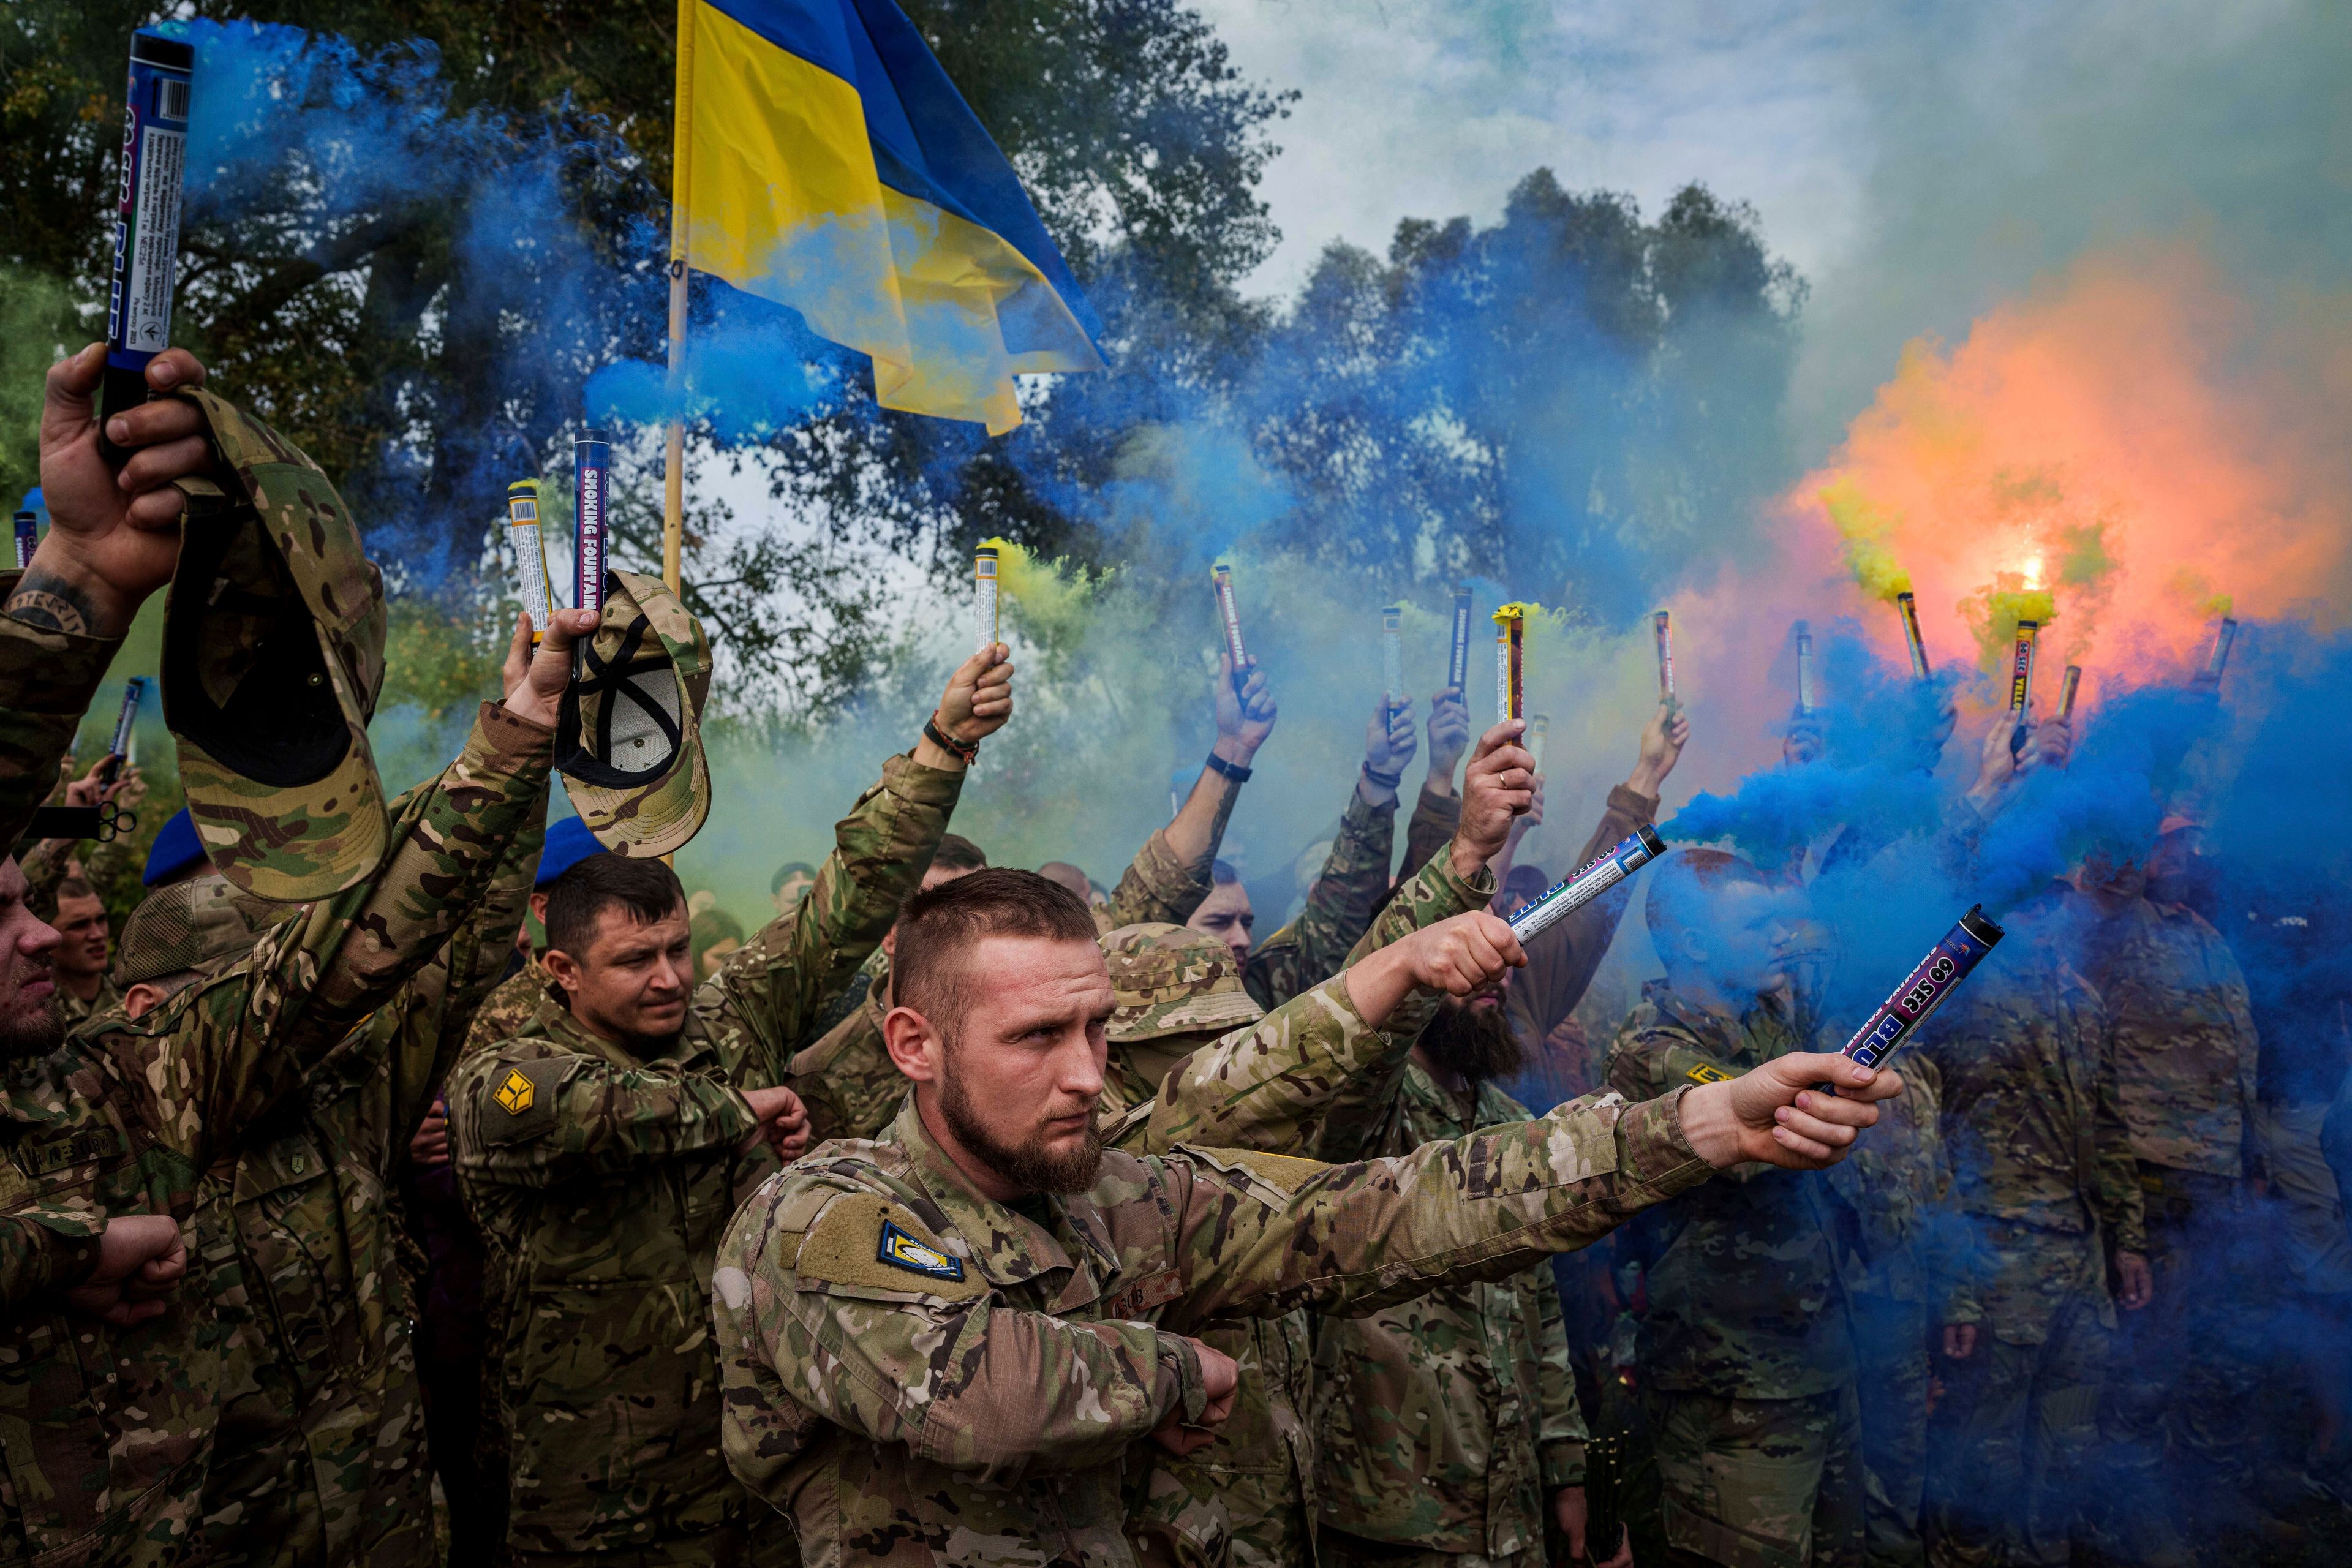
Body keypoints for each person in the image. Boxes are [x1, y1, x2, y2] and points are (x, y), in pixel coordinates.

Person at [712, 868, 1902, 1568]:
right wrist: (1179, 1373)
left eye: (1095, 1031)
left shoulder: (1130, 1197)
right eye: (1036, 1037)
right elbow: (980, 1388)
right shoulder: (824, 1208)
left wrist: (1692, 1129)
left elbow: (1414, 1208)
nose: (1084, 1073)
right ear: (913, 1044)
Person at [0, 341, 571, 1567]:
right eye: (3, 916)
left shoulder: (138, 1081)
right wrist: (56, 1252)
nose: (46, 926)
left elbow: (365, 949)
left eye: (28, 895)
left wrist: (510, 752)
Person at [448, 644, 1012, 1568]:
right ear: (561, 970)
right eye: (636, 962)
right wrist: (733, 1113)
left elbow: (856, 887)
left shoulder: (731, 1016)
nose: (670, 977)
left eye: (676, 947)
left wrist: (943, 744)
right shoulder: (514, 1066)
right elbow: (545, 1109)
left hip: (756, 1469)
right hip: (592, 1491)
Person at [1095, 720, 1532, 1568]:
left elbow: (1344, 996)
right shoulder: (1098, 1173)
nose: (1241, 939)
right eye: (1189, 1048)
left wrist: (1468, 854)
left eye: (1228, 1042)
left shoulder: (1256, 1157)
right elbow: (1348, 994)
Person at [793, 650, 1276, 1145]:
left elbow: (1161, 883)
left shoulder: (1045, 975)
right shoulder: (825, 1076)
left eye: (978, 904)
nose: (1083, 1074)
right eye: (940, 908)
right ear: (891, 933)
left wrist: (1232, 753)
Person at [1603, 850, 1863, 1568]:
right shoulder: (1652, 1049)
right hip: (1729, 1391)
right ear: (1691, 942)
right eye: (1758, 924)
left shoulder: (1772, 1024)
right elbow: (1772, 1130)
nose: (1782, 937)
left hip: (1815, 1363)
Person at [2061, 820, 2267, 1553]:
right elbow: (2104, 875)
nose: (2181, 854)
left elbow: (2235, 1060)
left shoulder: (2201, 930)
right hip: (2151, 1173)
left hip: (2217, 1174)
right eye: (2166, 840)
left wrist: (2252, 1160)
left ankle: (2207, 1497)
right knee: (2146, 1355)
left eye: (2189, 841)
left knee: (2217, 1347)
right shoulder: (2113, 924)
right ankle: (2128, 1508)